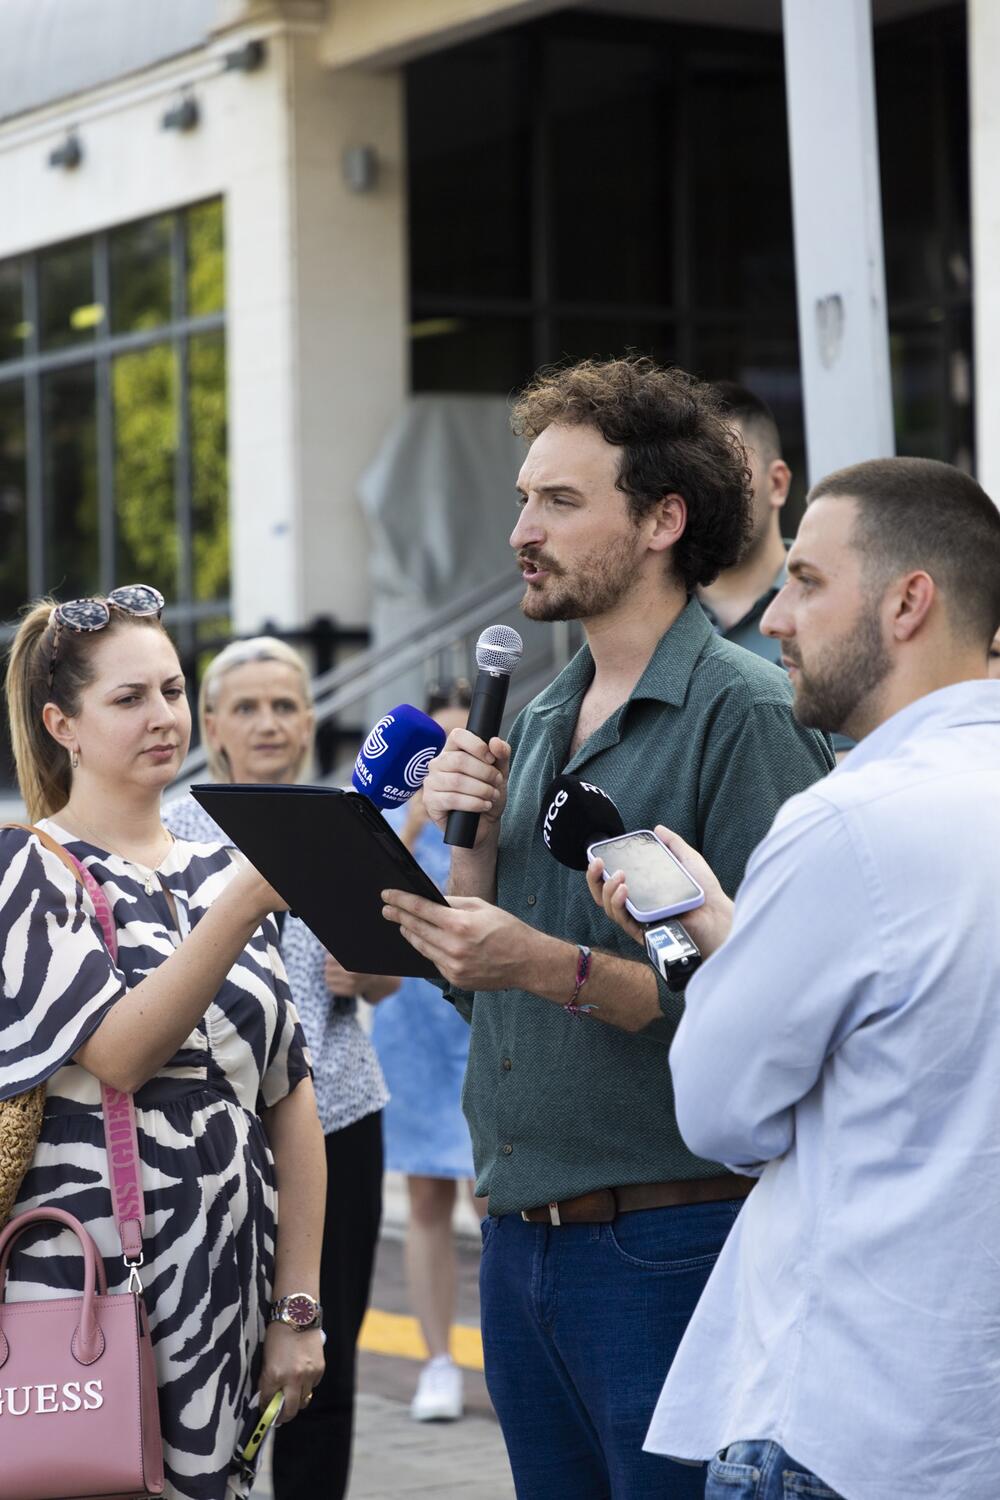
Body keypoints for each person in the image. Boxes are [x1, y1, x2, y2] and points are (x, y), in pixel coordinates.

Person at [380, 356, 835, 1499]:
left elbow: (768, 1007)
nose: (522, 530)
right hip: (521, 1241)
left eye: (560, 502)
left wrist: (546, 964)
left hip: (668, 1244)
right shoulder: (534, 716)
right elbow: (487, 991)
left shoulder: (744, 713)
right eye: (524, 499)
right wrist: (462, 876)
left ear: (661, 520)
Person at [589, 457, 1000, 1500]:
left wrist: (718, 952)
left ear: (911, 601)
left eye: (808, 580)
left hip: (850, 1422)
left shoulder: (846, 824)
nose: (773, 616)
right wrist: (740, 934)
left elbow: (721, 1114)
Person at [0, 591, 325, 1500]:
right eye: (129, 698)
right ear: (61, 723)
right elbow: (121, 1053)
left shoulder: (219, 868)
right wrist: (249, 903)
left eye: (174, 691)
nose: (164, 718)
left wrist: (299, 1307)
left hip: (229, 1290)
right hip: (92, 1294)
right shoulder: (30, 867)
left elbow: (290, 1092)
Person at [162, 637, 394, 1500]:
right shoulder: (170, 830)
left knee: (319, 1364)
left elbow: (394, 972)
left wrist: (370, 972)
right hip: (214, 1135)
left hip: (338, 1118)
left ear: (309, 723)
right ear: (212, 725)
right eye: (247, 707)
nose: (268, 723)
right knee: (199, 1353)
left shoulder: (347, 819)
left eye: (285, 706)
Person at [369, 683, 485, 1424]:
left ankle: (502, 1352)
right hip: (412, 1018)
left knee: (491, 1192)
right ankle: (437, 1359)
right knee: (424, 1196)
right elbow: (367, 894)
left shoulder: (497, 810)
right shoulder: (392, 814)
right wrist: (411, 824)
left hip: (481, 1019)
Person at [697, 380, 792, 661]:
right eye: (689, 478)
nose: (703, 494)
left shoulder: (834, 607)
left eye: (725, 474)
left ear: (777, 484)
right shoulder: (648, 620)